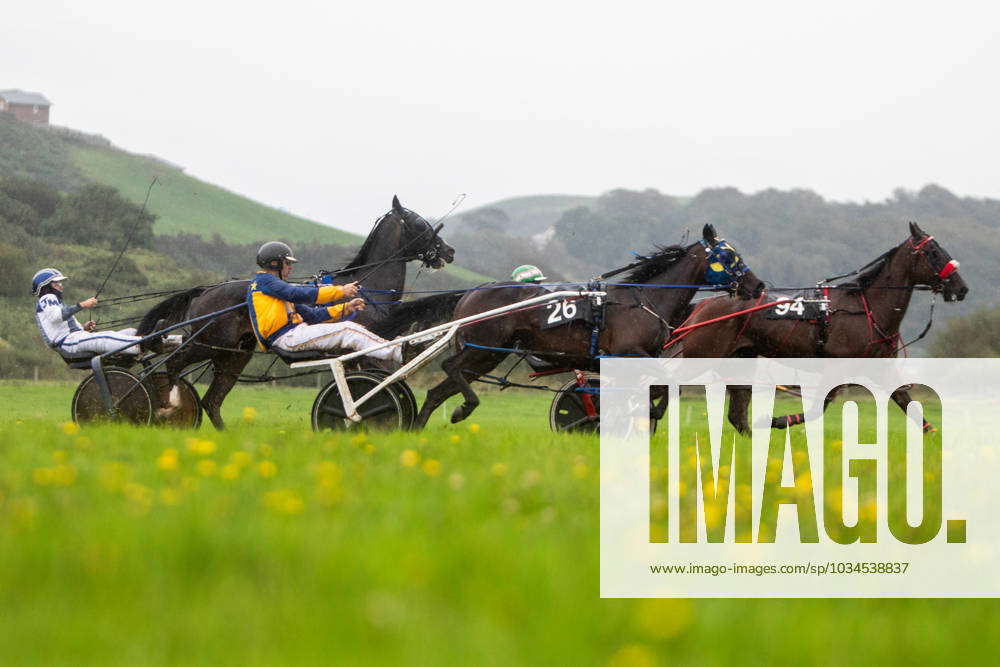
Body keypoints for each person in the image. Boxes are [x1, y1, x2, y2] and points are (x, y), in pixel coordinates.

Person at [248, 241, 405, 361]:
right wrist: (340, 291)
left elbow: (313, 316)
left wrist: (346, 307)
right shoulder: (264, 281)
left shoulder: (277, 288)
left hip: (294, 334)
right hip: (287, 338)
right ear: (275, 263)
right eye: (288, 263)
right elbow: (297, 293)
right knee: (347, 330)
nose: (291, 267)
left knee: (349, 329)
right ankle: (398, 352)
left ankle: (397, 348)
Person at [33, 268, 143, 357]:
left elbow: (61, 324)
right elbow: (56, 317)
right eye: (56, 283)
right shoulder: (47, 297)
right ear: (46, 286)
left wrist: (83, 328)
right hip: (67, 342)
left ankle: (141, 341)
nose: (61, 286)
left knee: (131, 332)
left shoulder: (54, 301)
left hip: (73, 339)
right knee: (105, 337)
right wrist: (83, 305)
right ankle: (142, 343)